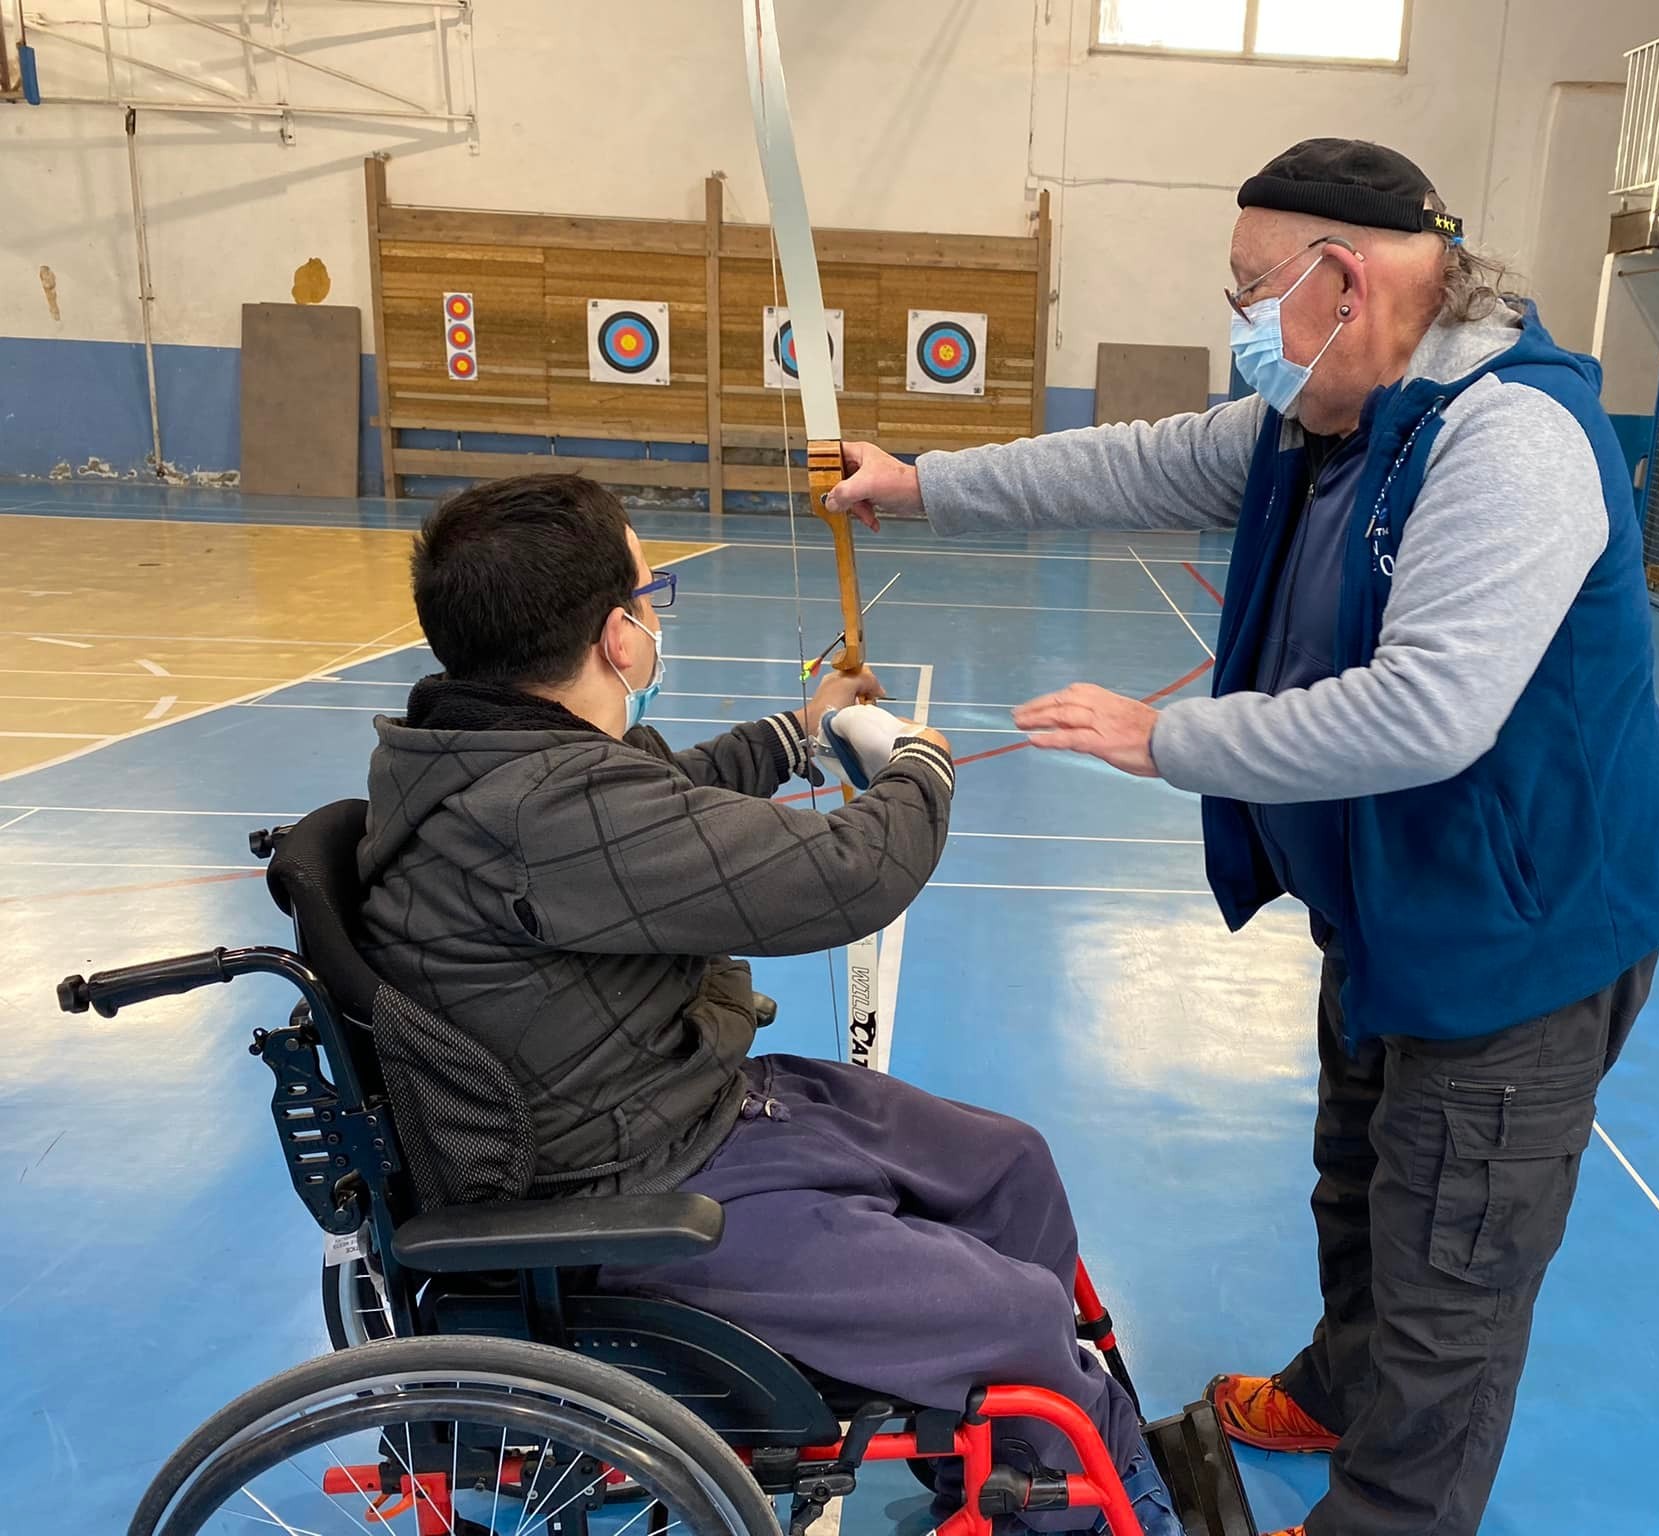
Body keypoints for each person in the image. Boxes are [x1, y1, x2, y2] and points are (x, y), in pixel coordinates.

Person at [825, 139, 1659, 1536]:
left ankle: (1390, 1515)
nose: (1237, 324)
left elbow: (1427, 712)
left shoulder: (1509, 438)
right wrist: (923, 484)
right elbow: (1129, 463)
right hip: (1391, 908)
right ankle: (1341, 1387)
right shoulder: (1324, 419)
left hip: (1515, 940)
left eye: (1249, 290)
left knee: (1453, 1265)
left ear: (1344, 281)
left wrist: (1167, 738)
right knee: (1362, 1182)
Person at [355, 473, 1181, 1535]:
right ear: (615, 635)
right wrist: (919, 767)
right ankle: (1075, 1499)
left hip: (675, 1110)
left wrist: (800, 732)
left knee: (1007, 1165)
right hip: (633, 1195)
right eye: (649, 594)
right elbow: (849, 873)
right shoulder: (538, 809)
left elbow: (667, 806)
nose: (654, 617)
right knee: (1017, 1314)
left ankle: (1009, 1472)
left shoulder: (495, 754)